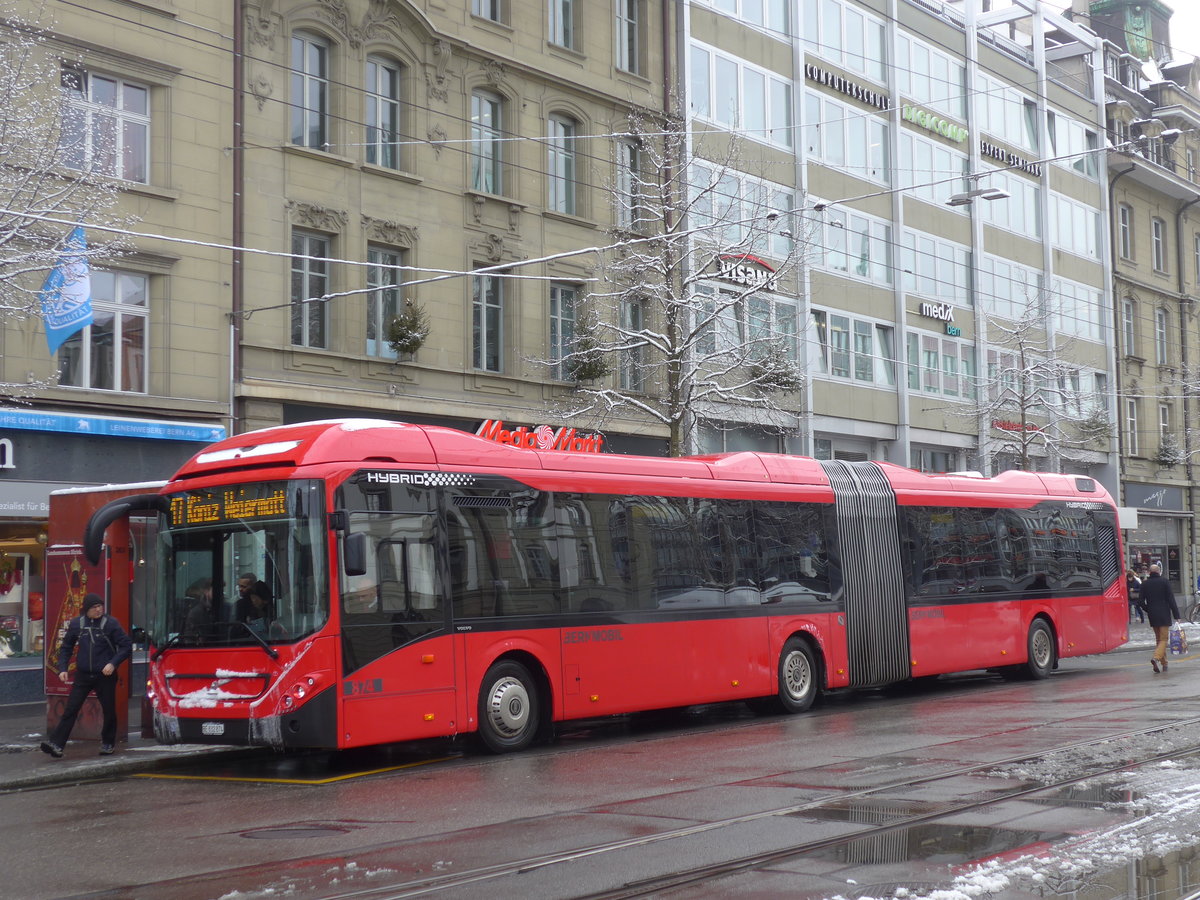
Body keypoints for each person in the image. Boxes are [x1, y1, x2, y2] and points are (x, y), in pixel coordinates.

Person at [40, 593, 132, 758]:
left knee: (108, 710)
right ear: (86, 610)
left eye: (100, 606)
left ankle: (108, 743)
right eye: (94, 607)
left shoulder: (111, 623)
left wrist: (113, 663)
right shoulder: (77, 624)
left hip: (104, 675)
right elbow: (66, 647)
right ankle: (57, 744)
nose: (98, 610)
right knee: (71, 708)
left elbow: (126, 646)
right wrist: (63, 668)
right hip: (83, 674)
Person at [1138, 564, 1180, 673]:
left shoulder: (1145, 584)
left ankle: (1164, 663)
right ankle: (1156, 658)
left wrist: (1148, 609)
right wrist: (1177, 615)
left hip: (1153, 614)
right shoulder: (1164, 582)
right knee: (1164, 639)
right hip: (1164, 613)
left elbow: (1140, 601)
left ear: (1149, 572)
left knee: (1159, 640)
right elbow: (1171, 599)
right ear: (1159, 571)